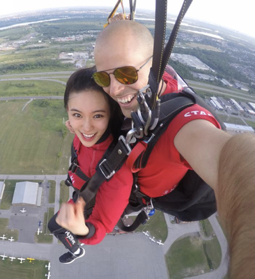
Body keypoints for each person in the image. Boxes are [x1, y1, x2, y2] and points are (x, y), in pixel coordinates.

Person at [89, 20, 253, 278]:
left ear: (155, 66)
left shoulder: (184, 127)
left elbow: (234, 161)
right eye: (102, 77)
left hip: (168, 198)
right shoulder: (153, 83)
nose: (114, 88)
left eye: (126, 74)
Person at [48, 67, 132, 264]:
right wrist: (75, 125)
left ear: (111, 114)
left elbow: (102, 226)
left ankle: (77, 250)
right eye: (77, 115)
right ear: (68, 113)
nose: (86, 128)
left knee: (56, 226)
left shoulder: (117, 169)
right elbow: (83, 133)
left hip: (89, 207)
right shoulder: (84, 135)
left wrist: (83, 230)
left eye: (97, 116)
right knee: (54, 225)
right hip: (81, 196)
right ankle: (74, 247)